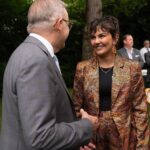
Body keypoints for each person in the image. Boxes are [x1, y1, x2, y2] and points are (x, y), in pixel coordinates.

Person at [0, 0, 98, 150]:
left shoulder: (25, 53)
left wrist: (74, 142)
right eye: (68, 24)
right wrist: (86, 126)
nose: (68, 29)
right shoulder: (35, 60)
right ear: (59, 23)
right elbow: (40, 138)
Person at [73, 16, 149, 150]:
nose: (96, 41)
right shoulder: (82, 69)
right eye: (93, 37)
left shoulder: (132, 68)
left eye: (102, 36)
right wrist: (79, 139)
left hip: (124, 140)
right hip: (92, 141)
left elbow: (140, 110)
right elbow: (76, 109)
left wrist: (142, 146)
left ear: (115, 38)